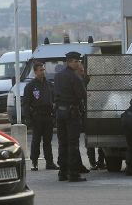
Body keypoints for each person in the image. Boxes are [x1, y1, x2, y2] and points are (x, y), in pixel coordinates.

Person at [54, 51, 87, 182]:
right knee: (72, 144)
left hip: (60, 112)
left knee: (62, 143)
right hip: (71, 113)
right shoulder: (74, 77)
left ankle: (62, 172)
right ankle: (73, 173)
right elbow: (82, 95)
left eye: (78, 61)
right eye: (76, 61)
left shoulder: (58, 76)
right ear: (69, 62)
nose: (78, 63)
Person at [24, 61, 59, 171]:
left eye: (43, 70)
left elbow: (55, 100)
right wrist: (28, 119)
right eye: (40, 70)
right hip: (37, 117)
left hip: (48, 116)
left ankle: (49, 162)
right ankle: (34, 162)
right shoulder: (30, 86)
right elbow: (26, 104)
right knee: (36, 141)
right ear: (35, 72)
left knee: (48, 141)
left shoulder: (49, 85)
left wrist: (54, 115)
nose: (43, 72)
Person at [76, 61, 105, 170]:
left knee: (101, 139)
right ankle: (93, 162)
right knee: (90, 140)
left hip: (98, 110)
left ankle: (100, 161)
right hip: (87, 113)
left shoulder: (98, 80)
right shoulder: (81, 81)